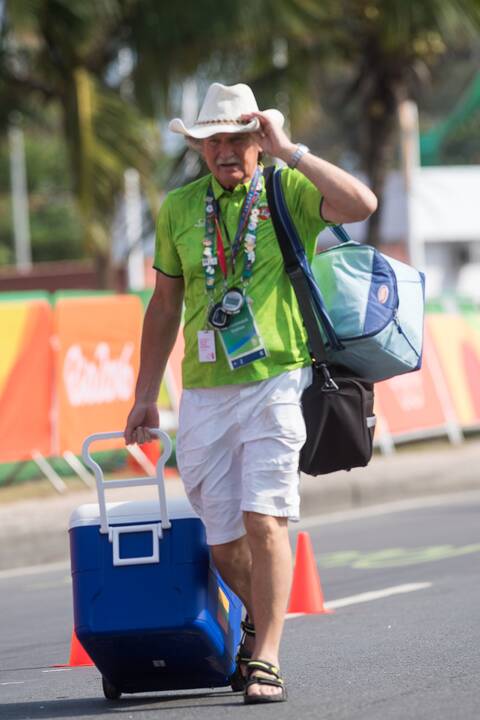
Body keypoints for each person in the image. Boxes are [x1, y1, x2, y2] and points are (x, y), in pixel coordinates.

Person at [124, 82, 377, 704]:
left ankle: (265, 657)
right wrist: (144, 393)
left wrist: (291, 151)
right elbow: (163, 304)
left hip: (277, 380)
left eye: (237, 138)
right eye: (213, 141)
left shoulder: (286, 186)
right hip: (205, 392)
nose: (225, 150)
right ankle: (259, 620)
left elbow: (361, 203)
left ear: (257, 140)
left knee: (266, 518)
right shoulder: (180, 208)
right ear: (200, 149)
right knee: (222, 541)